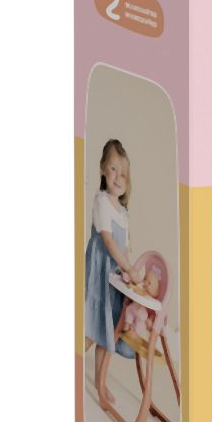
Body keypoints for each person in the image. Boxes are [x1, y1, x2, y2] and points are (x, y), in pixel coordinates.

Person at [83, 139, 140, 407]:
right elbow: (107, 240)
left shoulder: (124, 214)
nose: (118, 177)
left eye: (123, 173)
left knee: (106, 334)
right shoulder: (102, 201)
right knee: (91, 329)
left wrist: (129, 273)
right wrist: (127, 267)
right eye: (113, 169)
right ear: (103, 169)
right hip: (99, 277)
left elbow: (125, 248)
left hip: (114, 280)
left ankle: (100, 383)